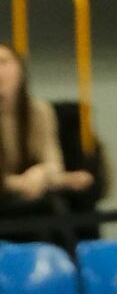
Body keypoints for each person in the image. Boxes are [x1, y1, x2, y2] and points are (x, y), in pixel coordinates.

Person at [0, 42, 94, 243]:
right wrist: (24, 183)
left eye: (4, 62)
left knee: (56, 208)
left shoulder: (39, 111)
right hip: (7, 194)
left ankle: (73, 267)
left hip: (35, 193)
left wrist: (41, 173)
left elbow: (53, 162)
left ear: (20, 70)